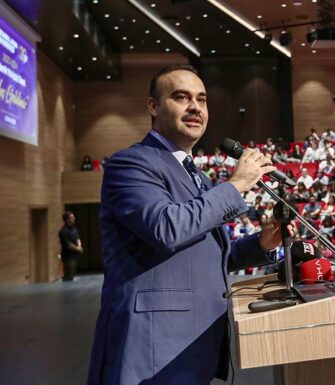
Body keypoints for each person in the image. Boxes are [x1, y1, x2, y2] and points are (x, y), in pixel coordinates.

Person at [88, 65, 284, 385]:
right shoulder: (131, 163)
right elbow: (167, 229)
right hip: (153, 350)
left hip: (193, 345)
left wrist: (261, 244)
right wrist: (235, 186)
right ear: (153, 106)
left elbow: (204, 256)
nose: (195, 107)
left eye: (202, 99)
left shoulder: (196, 176)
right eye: (181, 97)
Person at [58, 211, 83, 282]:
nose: (74, 218)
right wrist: (78, 248)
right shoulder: (63, 231)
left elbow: (77, 238)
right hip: (68, 257)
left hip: (75, 255)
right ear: (67, 220)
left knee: (72, 273)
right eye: (72, 217)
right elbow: (68, 244)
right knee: (69, 274)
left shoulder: (74, 229)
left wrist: (79, 245)